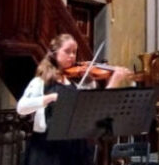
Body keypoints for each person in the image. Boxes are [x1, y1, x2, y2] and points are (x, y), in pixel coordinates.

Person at [15, 34, 130, 165]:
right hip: (48, 148)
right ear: (54, 53)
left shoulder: (76, 83)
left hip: (75, 147)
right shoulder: (41, 82)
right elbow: (21, 107)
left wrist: (114, 81)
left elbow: (97, 106)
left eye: (74, 52)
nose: (72, 56)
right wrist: (50, 97)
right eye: (67, 51)